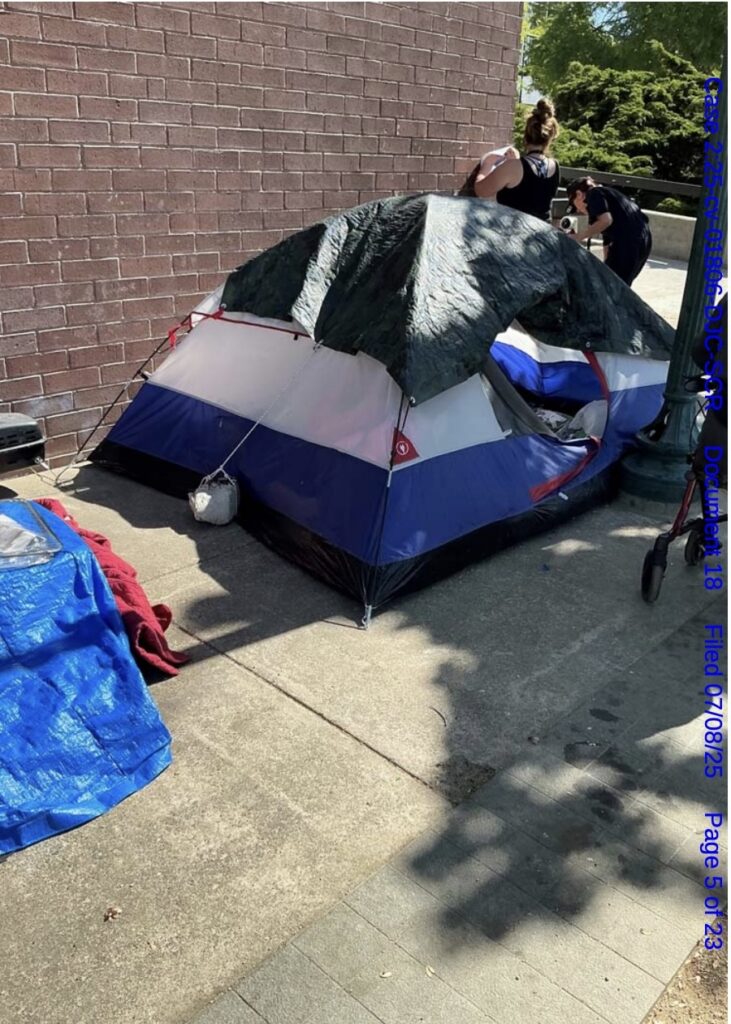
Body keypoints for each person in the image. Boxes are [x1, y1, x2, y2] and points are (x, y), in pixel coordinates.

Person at [469, 100, 561, 222]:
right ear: (550, 138)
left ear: (526, 135)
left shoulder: (514, 166)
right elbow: (532, 193)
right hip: (542, 234)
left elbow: (481, 190)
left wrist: (487, 165)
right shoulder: (555, 166)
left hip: (515, 234)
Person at [566, 176, 652, 286]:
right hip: (644, 239)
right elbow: (607, 241)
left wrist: (578, 236)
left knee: (614, 287)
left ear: (578, 194)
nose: (578, 210)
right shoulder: (610, 195)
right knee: (620, 284)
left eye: (574, 205)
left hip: (627, 240)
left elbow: (606, 221)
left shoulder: (594, 193)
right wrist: (606, 266)